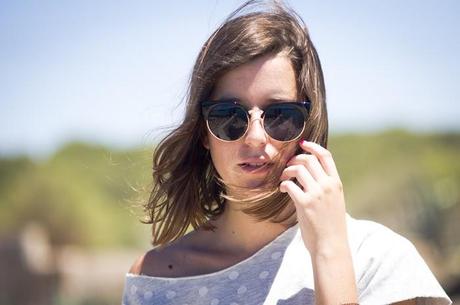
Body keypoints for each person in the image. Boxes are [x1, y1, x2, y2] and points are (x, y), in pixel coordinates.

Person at [122, 1, 452, 304]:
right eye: (227, 116)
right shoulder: (156, 279)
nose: (254, 137)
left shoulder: (379, 260)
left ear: (308, 125)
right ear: (203, 133)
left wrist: (330, 252)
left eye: (280, 115)